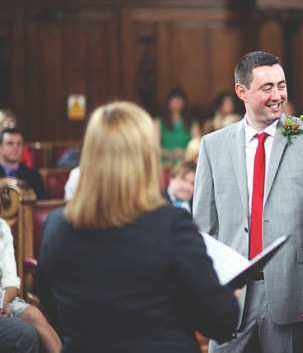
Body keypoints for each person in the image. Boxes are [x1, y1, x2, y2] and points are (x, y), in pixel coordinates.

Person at [36, 101, 239, 353]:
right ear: (146, 158)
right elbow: (219, 320)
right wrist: (230, 294)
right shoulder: (169, 225)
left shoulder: (56, 225)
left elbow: (48, 297)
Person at [193, 51, 303, 353]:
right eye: (267, 88)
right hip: (230, 298)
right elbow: (203, 229)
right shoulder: (213, 146)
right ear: (242, 92)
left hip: (293, 294)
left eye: (282, 85)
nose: (278, 95)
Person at [1, 219, 61, 352]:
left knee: (34, 314)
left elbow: (10, 279)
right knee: (27, 332)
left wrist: (4, 300)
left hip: (4, 298)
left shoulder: (2, 227)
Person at [156, 87, 201, 167]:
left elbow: (196, 144)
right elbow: (154, 147)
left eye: (179, 100)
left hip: (186, 162)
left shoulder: (192, 121)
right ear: (168, 102)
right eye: (174, 100)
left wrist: (185, 153)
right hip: (165, 163)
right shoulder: (159, 121)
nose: (177, 103)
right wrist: (172, 154)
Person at [0, 128, 47, 200]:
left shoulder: (34, 175)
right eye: (10, 143)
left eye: (19, 144)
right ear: (0, 147)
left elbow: (42, 204)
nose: (15, 147)